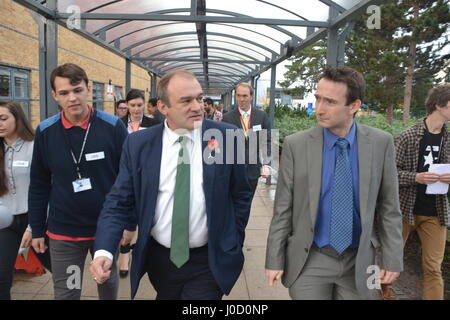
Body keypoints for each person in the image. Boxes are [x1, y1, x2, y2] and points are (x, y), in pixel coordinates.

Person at [90, 69, 252, 300]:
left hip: (208, 259)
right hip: (160, 261)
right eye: (186, 101)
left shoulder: (227, 137)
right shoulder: (138, 144)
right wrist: (104, 250)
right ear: (163, 107)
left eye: (198, 98)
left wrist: (233, 238)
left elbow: (241, 194)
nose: (197, 106)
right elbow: (118, 201)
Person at [265, 66, 404, 300]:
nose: (319, 109)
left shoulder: (381, 143)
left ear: (354, 106)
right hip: (310, 259)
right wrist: (274, 259)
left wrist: (393, 258)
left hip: (360, 262)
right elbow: (283, 209)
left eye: (329, 102)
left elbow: (390, 208)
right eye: (318, 98)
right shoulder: (296, 145)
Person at [28, 63, 129, 300]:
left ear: (88, 89)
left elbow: (127, 179)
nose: (72, 98)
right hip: (65, 230)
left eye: (77, 89)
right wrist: (36, 227)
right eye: (64, 93)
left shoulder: (112, 127)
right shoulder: (46, 131)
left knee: (105, 281)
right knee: (68, 290)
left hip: (106, 226)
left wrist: (128, 222)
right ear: (54, 95)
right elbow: (39, 183)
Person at [394, 84, 450, 300]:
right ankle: (383, 294)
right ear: (439, 105)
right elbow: (389, 174)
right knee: (390, 262)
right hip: (403, 210)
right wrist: (415, 177)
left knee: (433, 269)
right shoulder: (408, 136)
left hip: (435, 213)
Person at [118, 89, 159, 277]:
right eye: (132, 105)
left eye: (139, 105)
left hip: (147, 178)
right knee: (125, 217)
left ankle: (145, 251)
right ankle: (124, 257)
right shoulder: (117, 125)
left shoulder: (153, 124)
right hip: (125, 177)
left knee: (147, 216)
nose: (136, 109)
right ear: (126, 106)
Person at [0, 100, 34, 300]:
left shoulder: (35, 146)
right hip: (5, 221)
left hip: (36, 218)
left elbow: (47, 186)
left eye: (3, 118)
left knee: (60, 271)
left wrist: (33, 226)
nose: (0, 123)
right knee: (2, 276)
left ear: (17, 119)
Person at [222, 83, 271, 198]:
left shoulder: (261, 116)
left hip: (253, 170)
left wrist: (266, 164)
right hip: (233, 171)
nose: (241, 99)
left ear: (251, 97)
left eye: (244, 96)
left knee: (247, 203)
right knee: (233, 202)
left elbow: (267, 140)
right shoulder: (227, 118)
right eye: (238, 96)